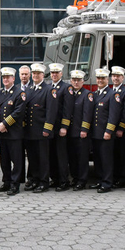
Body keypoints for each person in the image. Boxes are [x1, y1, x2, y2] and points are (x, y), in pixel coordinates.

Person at [23, 63, 57, 193]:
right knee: (33, 158)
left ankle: (44, 182)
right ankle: (35, 179)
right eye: (34, 73)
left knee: (43, 158)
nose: (36, 76)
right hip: (30, 131)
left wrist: (47, 129)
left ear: (43, 75)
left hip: (42, 131)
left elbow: (51, 112)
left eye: (38, 73)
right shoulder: (29, 89)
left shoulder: (49, 90)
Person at [0, 67, 26, 196]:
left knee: (16, 160)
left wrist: (5, 124)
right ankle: (6, 181)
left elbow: (19, 111)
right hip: (2, 133)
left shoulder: (19, 93)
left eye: (8, 77)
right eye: (4, 77)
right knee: (4, 159)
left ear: (13, 78)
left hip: (14, 133)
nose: (5, 79)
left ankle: (15, 184)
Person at [90, 68, 121, 193]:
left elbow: (113, 115)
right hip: (96, 133)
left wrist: (109, 131)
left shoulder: (112, 94)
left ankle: (107, 183)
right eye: (98, 78)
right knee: (97, 158)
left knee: (106, 159)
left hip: (105, 133)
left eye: (102, 78)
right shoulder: (95, 94)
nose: (100, 80)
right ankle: (100, 179)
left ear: (107, 80)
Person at [66, 69, 93, 192]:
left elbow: (87, 114)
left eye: (78, 80)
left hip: (81, 132)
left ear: (83, 81)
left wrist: (84, 129)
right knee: (72, 157)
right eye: (74, 80)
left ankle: (82, 181)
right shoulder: (70, 94)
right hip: (70, 132)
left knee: (82, 158)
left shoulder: (87, 95)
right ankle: (75, 178)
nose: (76, 82)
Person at [46, 63, 72, 191]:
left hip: (60, 128)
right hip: (50, 127)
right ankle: (55, 179)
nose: (54, 75)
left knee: (61, 155)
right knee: (51, 155)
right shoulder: (48, 87)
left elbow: (68, 110)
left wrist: (64, 127)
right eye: (52, 73)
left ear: (61, 73)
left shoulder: (66, 88)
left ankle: (64, 181)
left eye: (56, 72)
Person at [110, 66, 125, 189]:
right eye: (114, 76)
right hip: (111, 129)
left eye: (118, 76)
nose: (116, 78)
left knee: (122, 154)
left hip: (120, 130)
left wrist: (121, 128)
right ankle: (115, 177)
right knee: (113, 154)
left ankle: (123, 179)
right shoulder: (110, 90)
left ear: (122, 78)